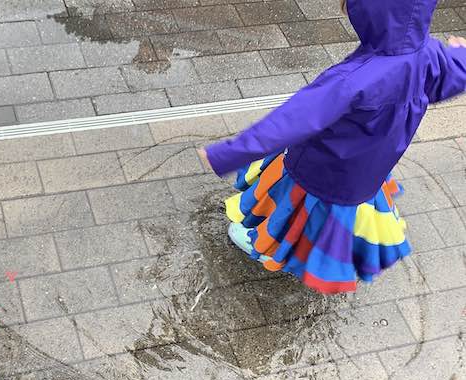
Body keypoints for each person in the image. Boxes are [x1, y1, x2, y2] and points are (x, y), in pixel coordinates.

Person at [197, 0, 466, 294]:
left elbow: (289, 122)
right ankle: (330, 249)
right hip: (369, 170)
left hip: (321, 168)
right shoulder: (428, 54)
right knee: (338, 214)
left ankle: (268, 244)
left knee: (297, 211)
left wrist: (226, 154)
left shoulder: (351, 80)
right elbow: (455, 73)